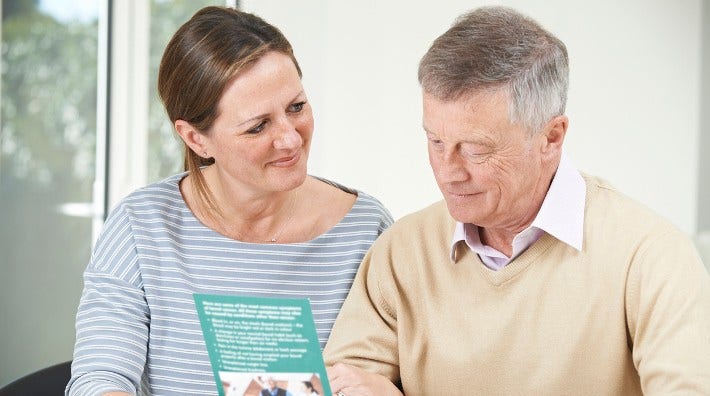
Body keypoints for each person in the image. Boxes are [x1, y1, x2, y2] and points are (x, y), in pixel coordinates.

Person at [324, 5, 710, 396]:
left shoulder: (650, 258)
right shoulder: (402, 252)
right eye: (435, 141)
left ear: (551, 138)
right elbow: (336, 384)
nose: (448, 171)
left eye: (475, 149)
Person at [65, 6, 392, 396]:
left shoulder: (368, 231)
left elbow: (411, 372)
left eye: (297, 107)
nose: (290, 139)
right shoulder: (142, 228)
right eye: (257, 126)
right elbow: (99, 379)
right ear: (195, 138)